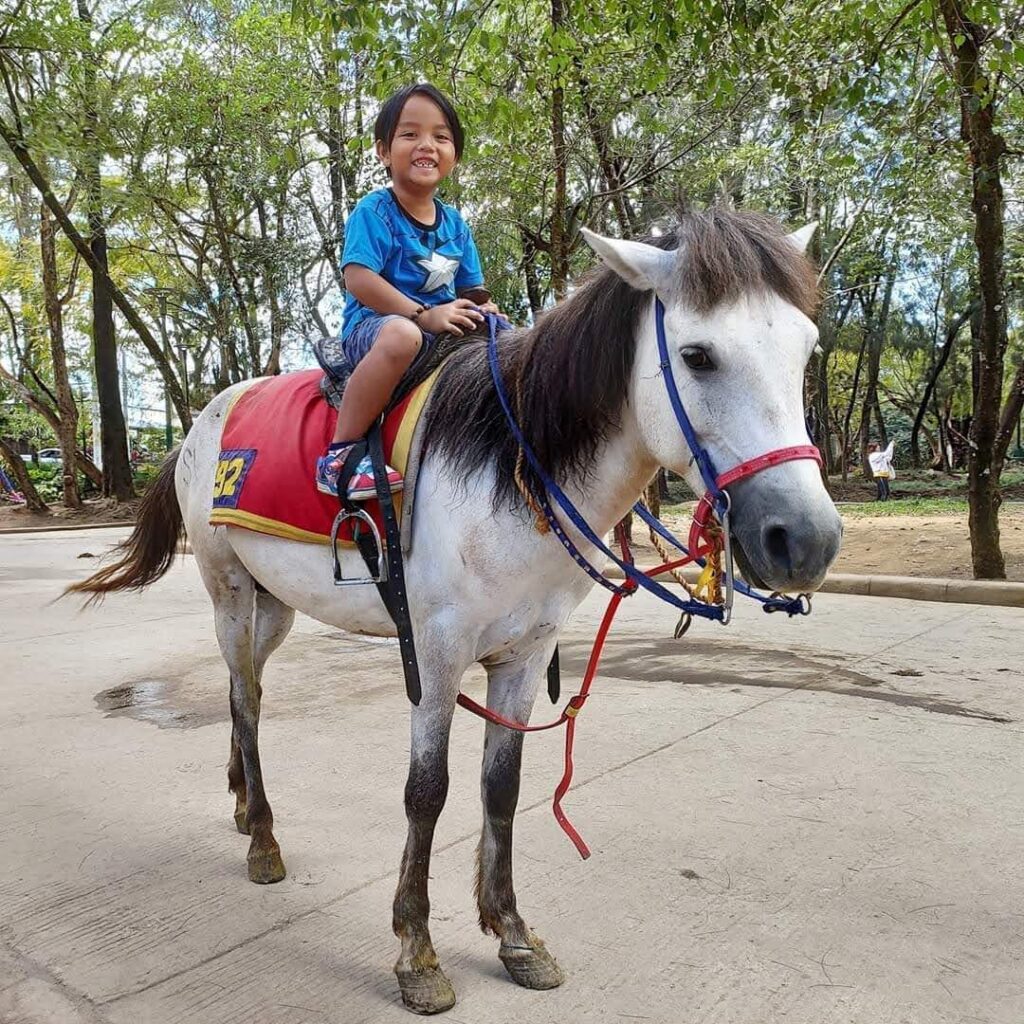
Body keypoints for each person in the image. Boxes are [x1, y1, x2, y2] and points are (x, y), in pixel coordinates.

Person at [315, 82, 501, 499]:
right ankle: (340, 454)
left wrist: (491, 313)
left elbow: (473, 290)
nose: (427, 145)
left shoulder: (455, 224)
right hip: (376, 329)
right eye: (410, 134)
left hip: (439, 331)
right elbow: (359, 279)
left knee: (508, 343)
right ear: (384, 151)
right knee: (403, 335)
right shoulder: (374, 210)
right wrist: (423, 314)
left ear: (454, 154)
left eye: (441, 136)